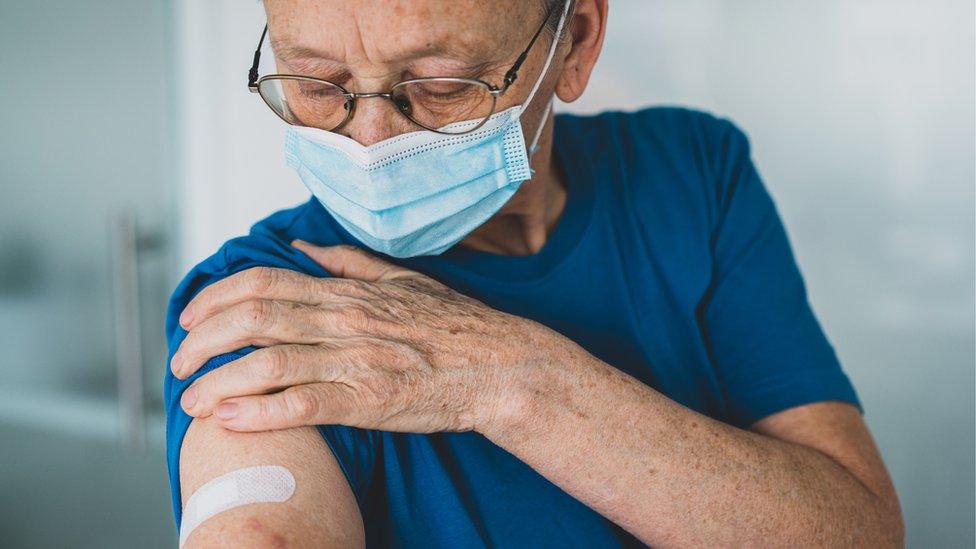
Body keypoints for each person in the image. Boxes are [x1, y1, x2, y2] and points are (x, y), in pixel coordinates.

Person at [164, 0, 904, 546]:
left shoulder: (691, 173)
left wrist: (517, 380)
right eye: (317, 83)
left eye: (443, 83)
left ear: (575, 42)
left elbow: (859, 531)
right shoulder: (268, 304)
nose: (369, 140)